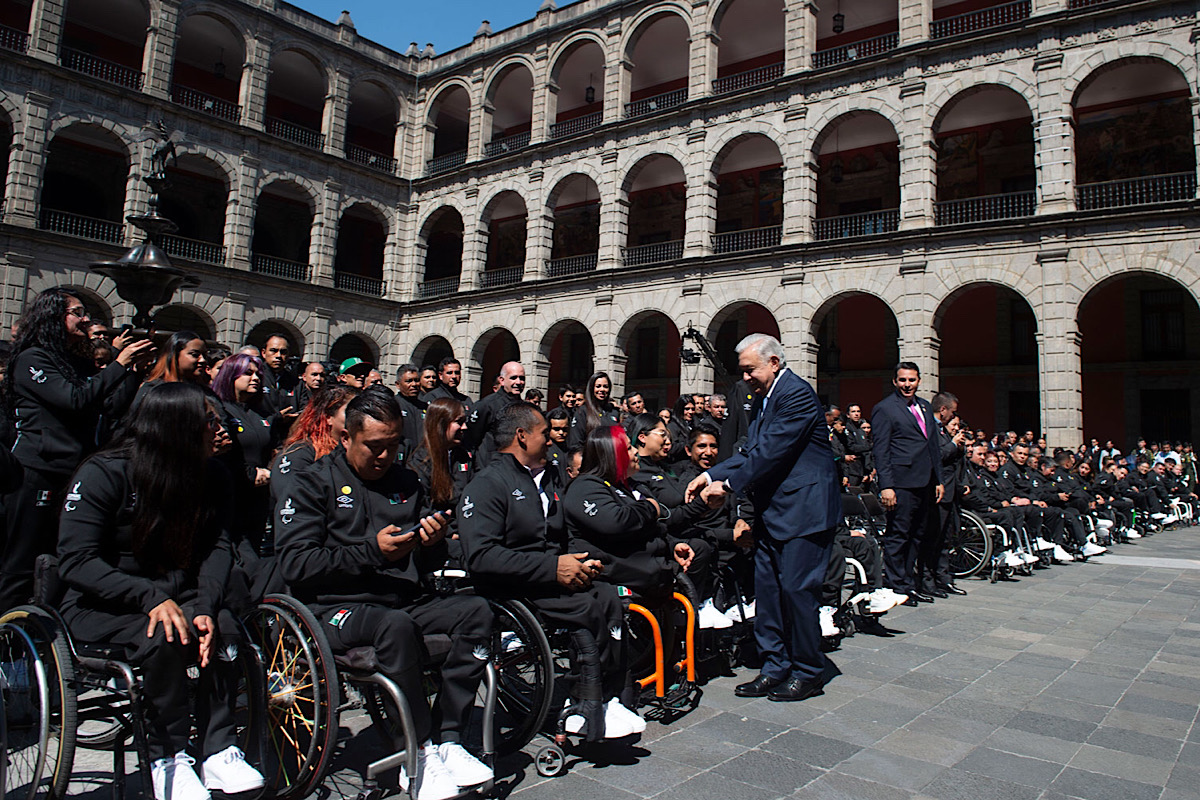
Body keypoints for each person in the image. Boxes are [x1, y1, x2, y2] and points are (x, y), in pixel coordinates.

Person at [275, 391, 494, 799]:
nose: (384, 456)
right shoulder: (311, 483)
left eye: (393, 445)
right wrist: (370, 551)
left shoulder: (408, 481)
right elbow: (296, 565)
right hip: (335, 607)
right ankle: (418, 751)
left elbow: (426, 566)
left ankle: (448, 737)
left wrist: (431, 543)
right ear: (346, 438)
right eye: (374, 447)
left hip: (402, 597)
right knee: (395, 626)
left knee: (477, 612)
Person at [57, 382, 265, 800]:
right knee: (164, 636)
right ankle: (166, 757)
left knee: (223, 625)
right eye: (209, 422)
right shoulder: (104, 472)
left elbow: (217, 547)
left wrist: (206, 603)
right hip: (105, 601)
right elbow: (75, 559)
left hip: (179, 592)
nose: (219, 430)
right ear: (177, 428)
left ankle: (218, 749)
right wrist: (148, 597)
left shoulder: (213, 475)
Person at [458, 402, 642, 740]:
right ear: (522, 436)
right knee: (585, 607)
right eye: (545, 433)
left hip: (549, 574)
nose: (551, 440)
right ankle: (586, 702)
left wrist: (584, 560)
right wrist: (553, 567)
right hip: (513, 584)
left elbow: (561, 535)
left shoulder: (546, 479)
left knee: (607, 595)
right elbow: (482, 556)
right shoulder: (488, 484)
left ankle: (610, 695)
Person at [685, 334, 840, 702]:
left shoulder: (796, 394)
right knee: (769, 593)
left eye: (749, 370)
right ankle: (775, 666)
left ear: (773, 362)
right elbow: (751, 448)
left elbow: (772, 451)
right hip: (776, 511)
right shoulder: (763, 398)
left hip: (805, 511)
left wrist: (728, 484)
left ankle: (808, 670)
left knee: (798, 592)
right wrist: (710, 474)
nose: (745, 379)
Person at [0, 288, 155, 608]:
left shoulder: (75, 360)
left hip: (73, 471)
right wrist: (118, 362)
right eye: (77, 312)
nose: (85, 318)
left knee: (65, 556)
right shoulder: (32, 358)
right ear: (53, 317)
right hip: (38, 471)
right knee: (21, 560)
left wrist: (131, 370)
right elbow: (73, 400)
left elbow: (109, 406)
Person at [870, 363, 944, 605]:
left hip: (925, 482)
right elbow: (881, 451)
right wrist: (886, 486)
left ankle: (909, 583)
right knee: (898, 535)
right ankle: (896, 586)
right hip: (901, 483)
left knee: (918, 534)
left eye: (911, 380)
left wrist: (939, 480)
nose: (907, 384)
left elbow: (932, 446)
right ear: (895, 382)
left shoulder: (924, 406)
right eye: (902, 380)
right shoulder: (885, 409)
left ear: (919, 381)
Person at [212, 353, 296, 557]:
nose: (256, 378)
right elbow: (221, 451)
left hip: (258, 500)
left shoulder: (262, 415)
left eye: (258, 373)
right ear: (231, 376)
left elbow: (275, 447)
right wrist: (249, 474)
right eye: (248, 373)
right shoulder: (220, 409)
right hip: (229, 496)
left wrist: (269, 470)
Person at [922, 392, 967, 597]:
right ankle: (927, 580)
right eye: (952, 412)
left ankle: (944, 578)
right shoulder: (931, 427)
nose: (953, 417)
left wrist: (958, 446)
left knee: (945, 539)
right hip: (936, 491)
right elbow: (936, 456)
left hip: (950, 491)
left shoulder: (943, 430)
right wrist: (952, 444)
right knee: (933, 538)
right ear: (943, 410)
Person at [463, 361, 525, 467]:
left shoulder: (525, 407)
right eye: (513, 378)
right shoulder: (487, 405)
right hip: (490, 466)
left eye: (522, 378)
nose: (518, 382)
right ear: (502, 380)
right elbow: (471, 436)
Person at [567, 371, 620, 449]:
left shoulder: (614, 412)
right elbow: (576, 444)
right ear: (592, 388)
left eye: (605, 386)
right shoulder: (582, 412)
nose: (602, 389)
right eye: (598, 386)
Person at [260, 334, 300, 415]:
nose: (278, 356)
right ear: (264, 353)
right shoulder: (255, 377)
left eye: (283, 352)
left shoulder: (295, 383)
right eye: (273, 351)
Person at [394, 363, 427, 459]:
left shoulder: (425, 407)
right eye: (409, 381)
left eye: (416, 380)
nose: (414, 384)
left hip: (422, 461)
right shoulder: (393, 405)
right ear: (398, 384)